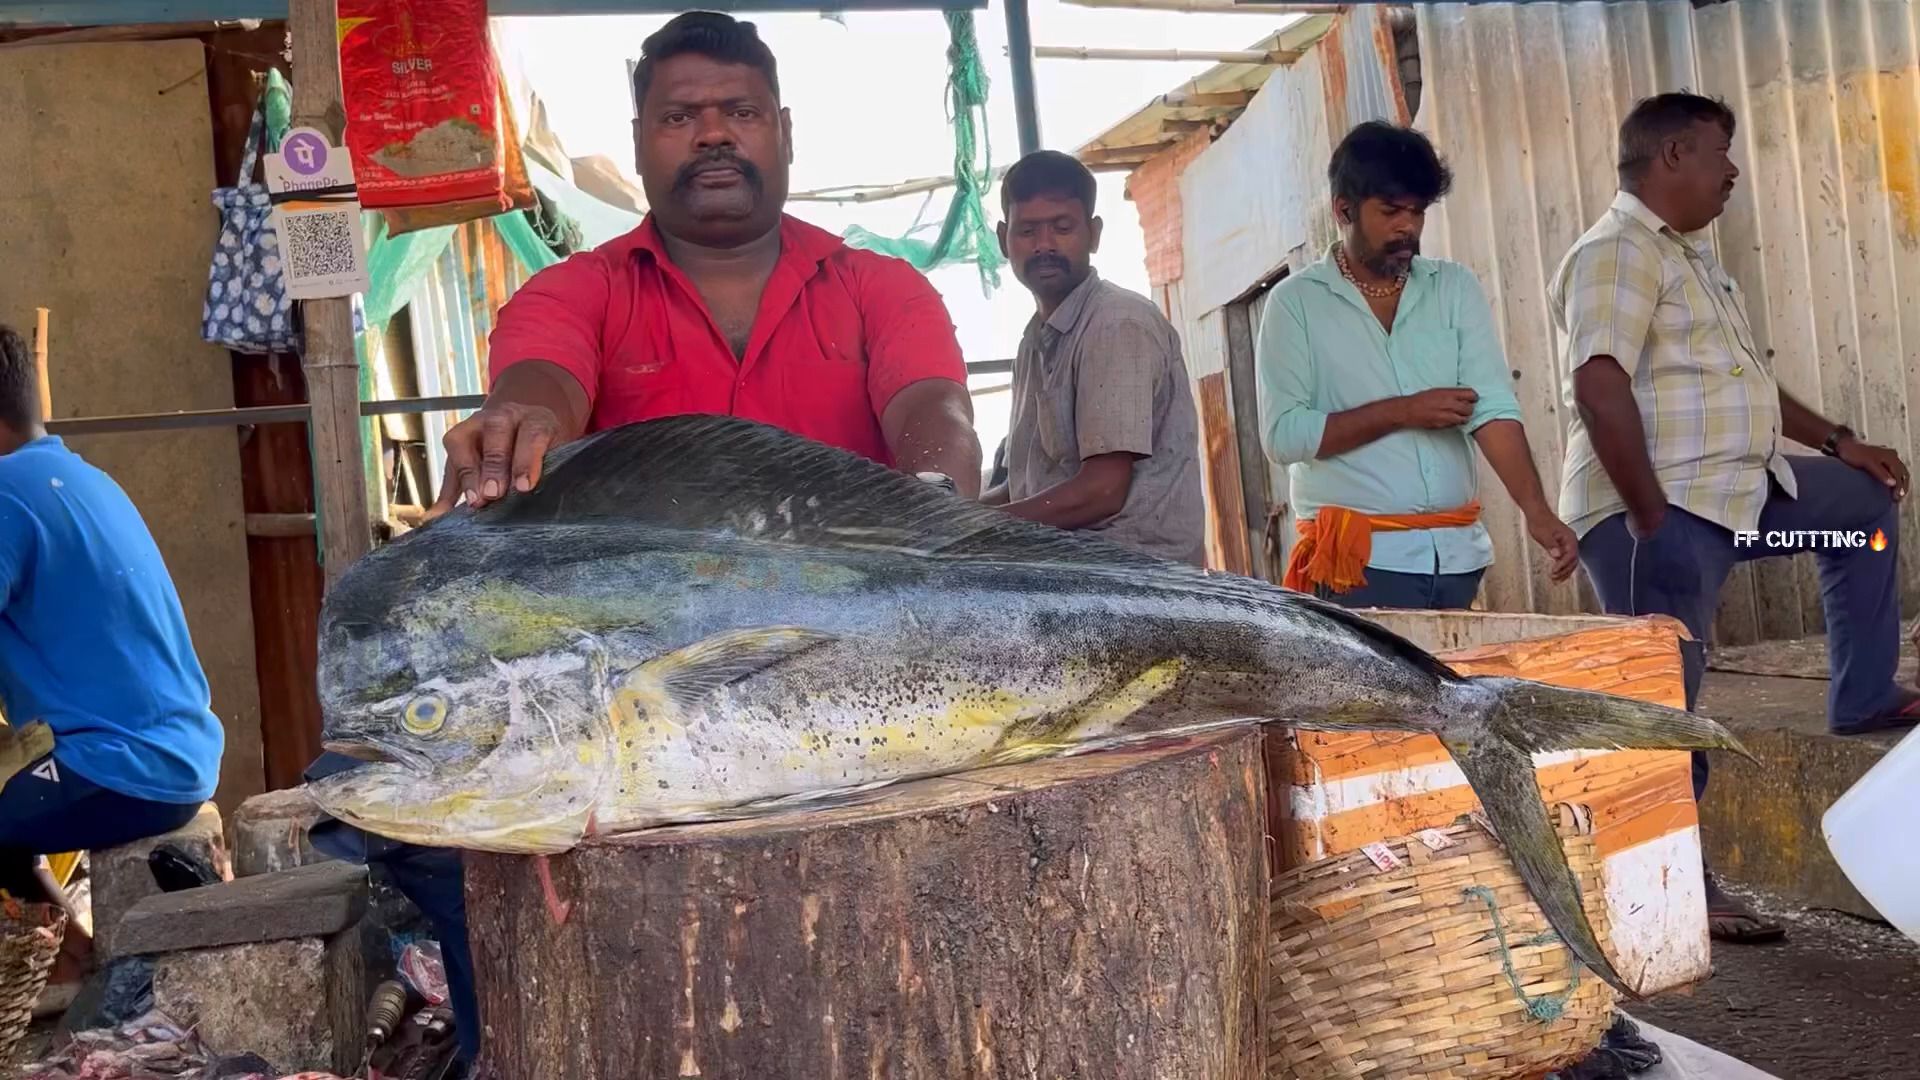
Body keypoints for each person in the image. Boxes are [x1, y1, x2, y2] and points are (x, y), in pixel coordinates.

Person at [305, 12, 982, 1072]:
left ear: (783, 131)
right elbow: (541, 379)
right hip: (640, 711)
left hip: (843, 674)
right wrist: (518, 426)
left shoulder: (877, 287)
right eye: (682, 116)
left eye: (739, 112)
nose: (714, 136)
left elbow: (935, 412)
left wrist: (940, 486)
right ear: (641, 139)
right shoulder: (577, 290)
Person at [1552, 92, 1915, 944]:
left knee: (1861, 510)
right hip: (1661, 507)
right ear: (1673, 155)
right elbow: (1598, 388)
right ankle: (1676, 878)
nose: (1733, 171)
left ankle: (1862, 694)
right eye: (1722, 152)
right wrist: (1649, 518)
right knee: (1664, 702)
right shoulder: (1616, 252)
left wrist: (1839, 439)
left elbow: (1745, 387)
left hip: (1739, 496)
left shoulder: (1693, 258)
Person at [1257, 121, 1578, 609]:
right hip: (1355, 564)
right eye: (1390, 211)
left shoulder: (1453, 287)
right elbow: (1285, 436)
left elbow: (1490, 408)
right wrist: (1403, 411)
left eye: (1417, 211)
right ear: (1344, 210)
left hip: (1456, 559)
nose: (1407, 226)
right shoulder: (1295, 303)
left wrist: (1538, 513)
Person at [0, 324, 225, 996]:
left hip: (119, 768)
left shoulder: (6, 495)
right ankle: (73, 951)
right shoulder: (84, 476)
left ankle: (71, 957)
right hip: (179, 753)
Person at [983, 150, 1205, 566]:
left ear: (1094, 234)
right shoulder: (1035, 340)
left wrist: (975, 529)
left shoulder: (1116, 323)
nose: (1044, 245)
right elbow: (1022, 487)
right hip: (1079, 581)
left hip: (1142, 589)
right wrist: (944, 516)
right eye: (1027, 230)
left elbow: (1102, 490)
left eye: (1062, 228)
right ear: (1003, 240)